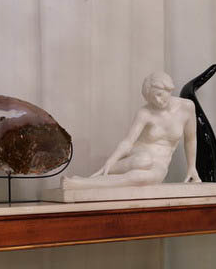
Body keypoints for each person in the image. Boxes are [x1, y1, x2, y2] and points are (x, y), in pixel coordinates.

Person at [62, 72, 201, 189]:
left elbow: (190, 139)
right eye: (153, 99)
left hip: (161, 162)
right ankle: (88, 180)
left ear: (169, 89)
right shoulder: (145, 112)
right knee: (143, 161)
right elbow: (128, 142)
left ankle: (82, 183)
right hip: (138, 155)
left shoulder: (187, 107)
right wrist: (110, 161)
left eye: (160, 94)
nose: (158, 101)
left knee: (145, 177)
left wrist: (191, 167)